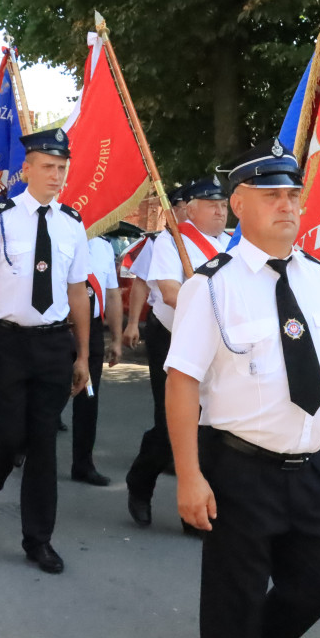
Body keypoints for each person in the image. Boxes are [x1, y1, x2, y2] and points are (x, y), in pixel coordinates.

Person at [166, 138, 320, 638]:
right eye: (271, 195)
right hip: (240, 470)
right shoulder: (210, 285)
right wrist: (189, 476)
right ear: (238, 203)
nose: (287, 205)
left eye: (293, 196)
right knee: (234, 609)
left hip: (310, 466)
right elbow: (182, 381)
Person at [0, 128, 90, 574]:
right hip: (6, 342)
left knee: (42, 445)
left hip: (54, 343)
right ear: (27, 169)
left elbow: (78, 293)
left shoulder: (72, 224)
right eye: (49, 167)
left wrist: (83, 357)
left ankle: (39, 540)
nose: (57, 176)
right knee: (9, 434)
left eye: (62, 168)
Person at [126, 178, 230, 529]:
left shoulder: (233, 245)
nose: (220, 210)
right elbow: (170, 293)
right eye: (211, 204)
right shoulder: (170, 242)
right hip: (173, 338)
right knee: (171, 422)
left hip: (218, 342)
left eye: (224, 204)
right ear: (190, 208)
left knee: (210, 423)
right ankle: (140, 482)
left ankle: (198, 511)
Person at [70, 234, 123, 486]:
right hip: (59, 327)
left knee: (88, 399)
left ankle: (83, 464)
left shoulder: (103, 247)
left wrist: (116, 339)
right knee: (48, 396)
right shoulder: (60, 235)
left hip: (90, 330)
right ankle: (26, 448)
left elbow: (112, 295)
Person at [121, 186, 187, 351]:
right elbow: (141, 283)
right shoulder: (159, 241)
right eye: (186, 207)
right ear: (173, 211)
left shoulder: (216, 240)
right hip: (163, 324)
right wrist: (133, 323)